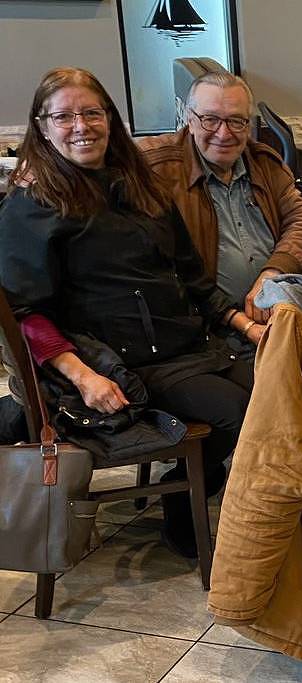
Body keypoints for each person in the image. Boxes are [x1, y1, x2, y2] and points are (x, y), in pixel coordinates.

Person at [0, 67, 254, 559]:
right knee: (240, 416)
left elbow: (192, 274)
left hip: (188, 344)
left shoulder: (141, 186)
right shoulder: (31, 206)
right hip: (116, 362)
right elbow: (24, 314)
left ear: (110, 119)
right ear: (42, 125)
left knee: (272, 398)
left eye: (92, 112)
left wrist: (245, 325)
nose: (81, 125)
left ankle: (191, 484)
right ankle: (188, 501)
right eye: (64, 115)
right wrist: (82, 377)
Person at [137, 72, 302, 354]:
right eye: (210, 119)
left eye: (236, 121)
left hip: (281, 312)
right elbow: (94, 161)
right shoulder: (155, 166)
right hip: (211, 328)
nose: (224, 133)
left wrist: (273, 271)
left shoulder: (263, 161)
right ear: (189, 119)